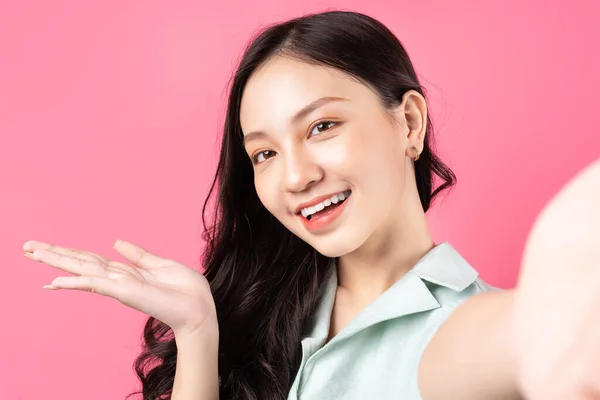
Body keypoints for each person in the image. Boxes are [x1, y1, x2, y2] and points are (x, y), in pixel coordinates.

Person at [22, 10, 600, 400]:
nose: (296, 175)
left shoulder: (464, 332)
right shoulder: (268, 318)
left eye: (322, 126)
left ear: (410, 123)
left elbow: (542, 332)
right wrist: (198, 331)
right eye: (264, 153)